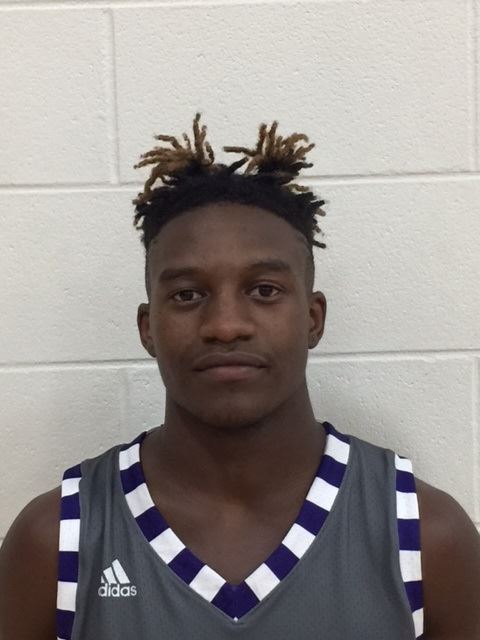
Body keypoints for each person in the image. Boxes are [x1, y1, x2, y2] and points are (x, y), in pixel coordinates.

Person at [0, 114, 479, 640]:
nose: (225, 325)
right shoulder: (57, 540)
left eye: (264, 290)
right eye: (188, 294)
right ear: (147, 328)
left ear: (313, 318)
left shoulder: (426, 536)